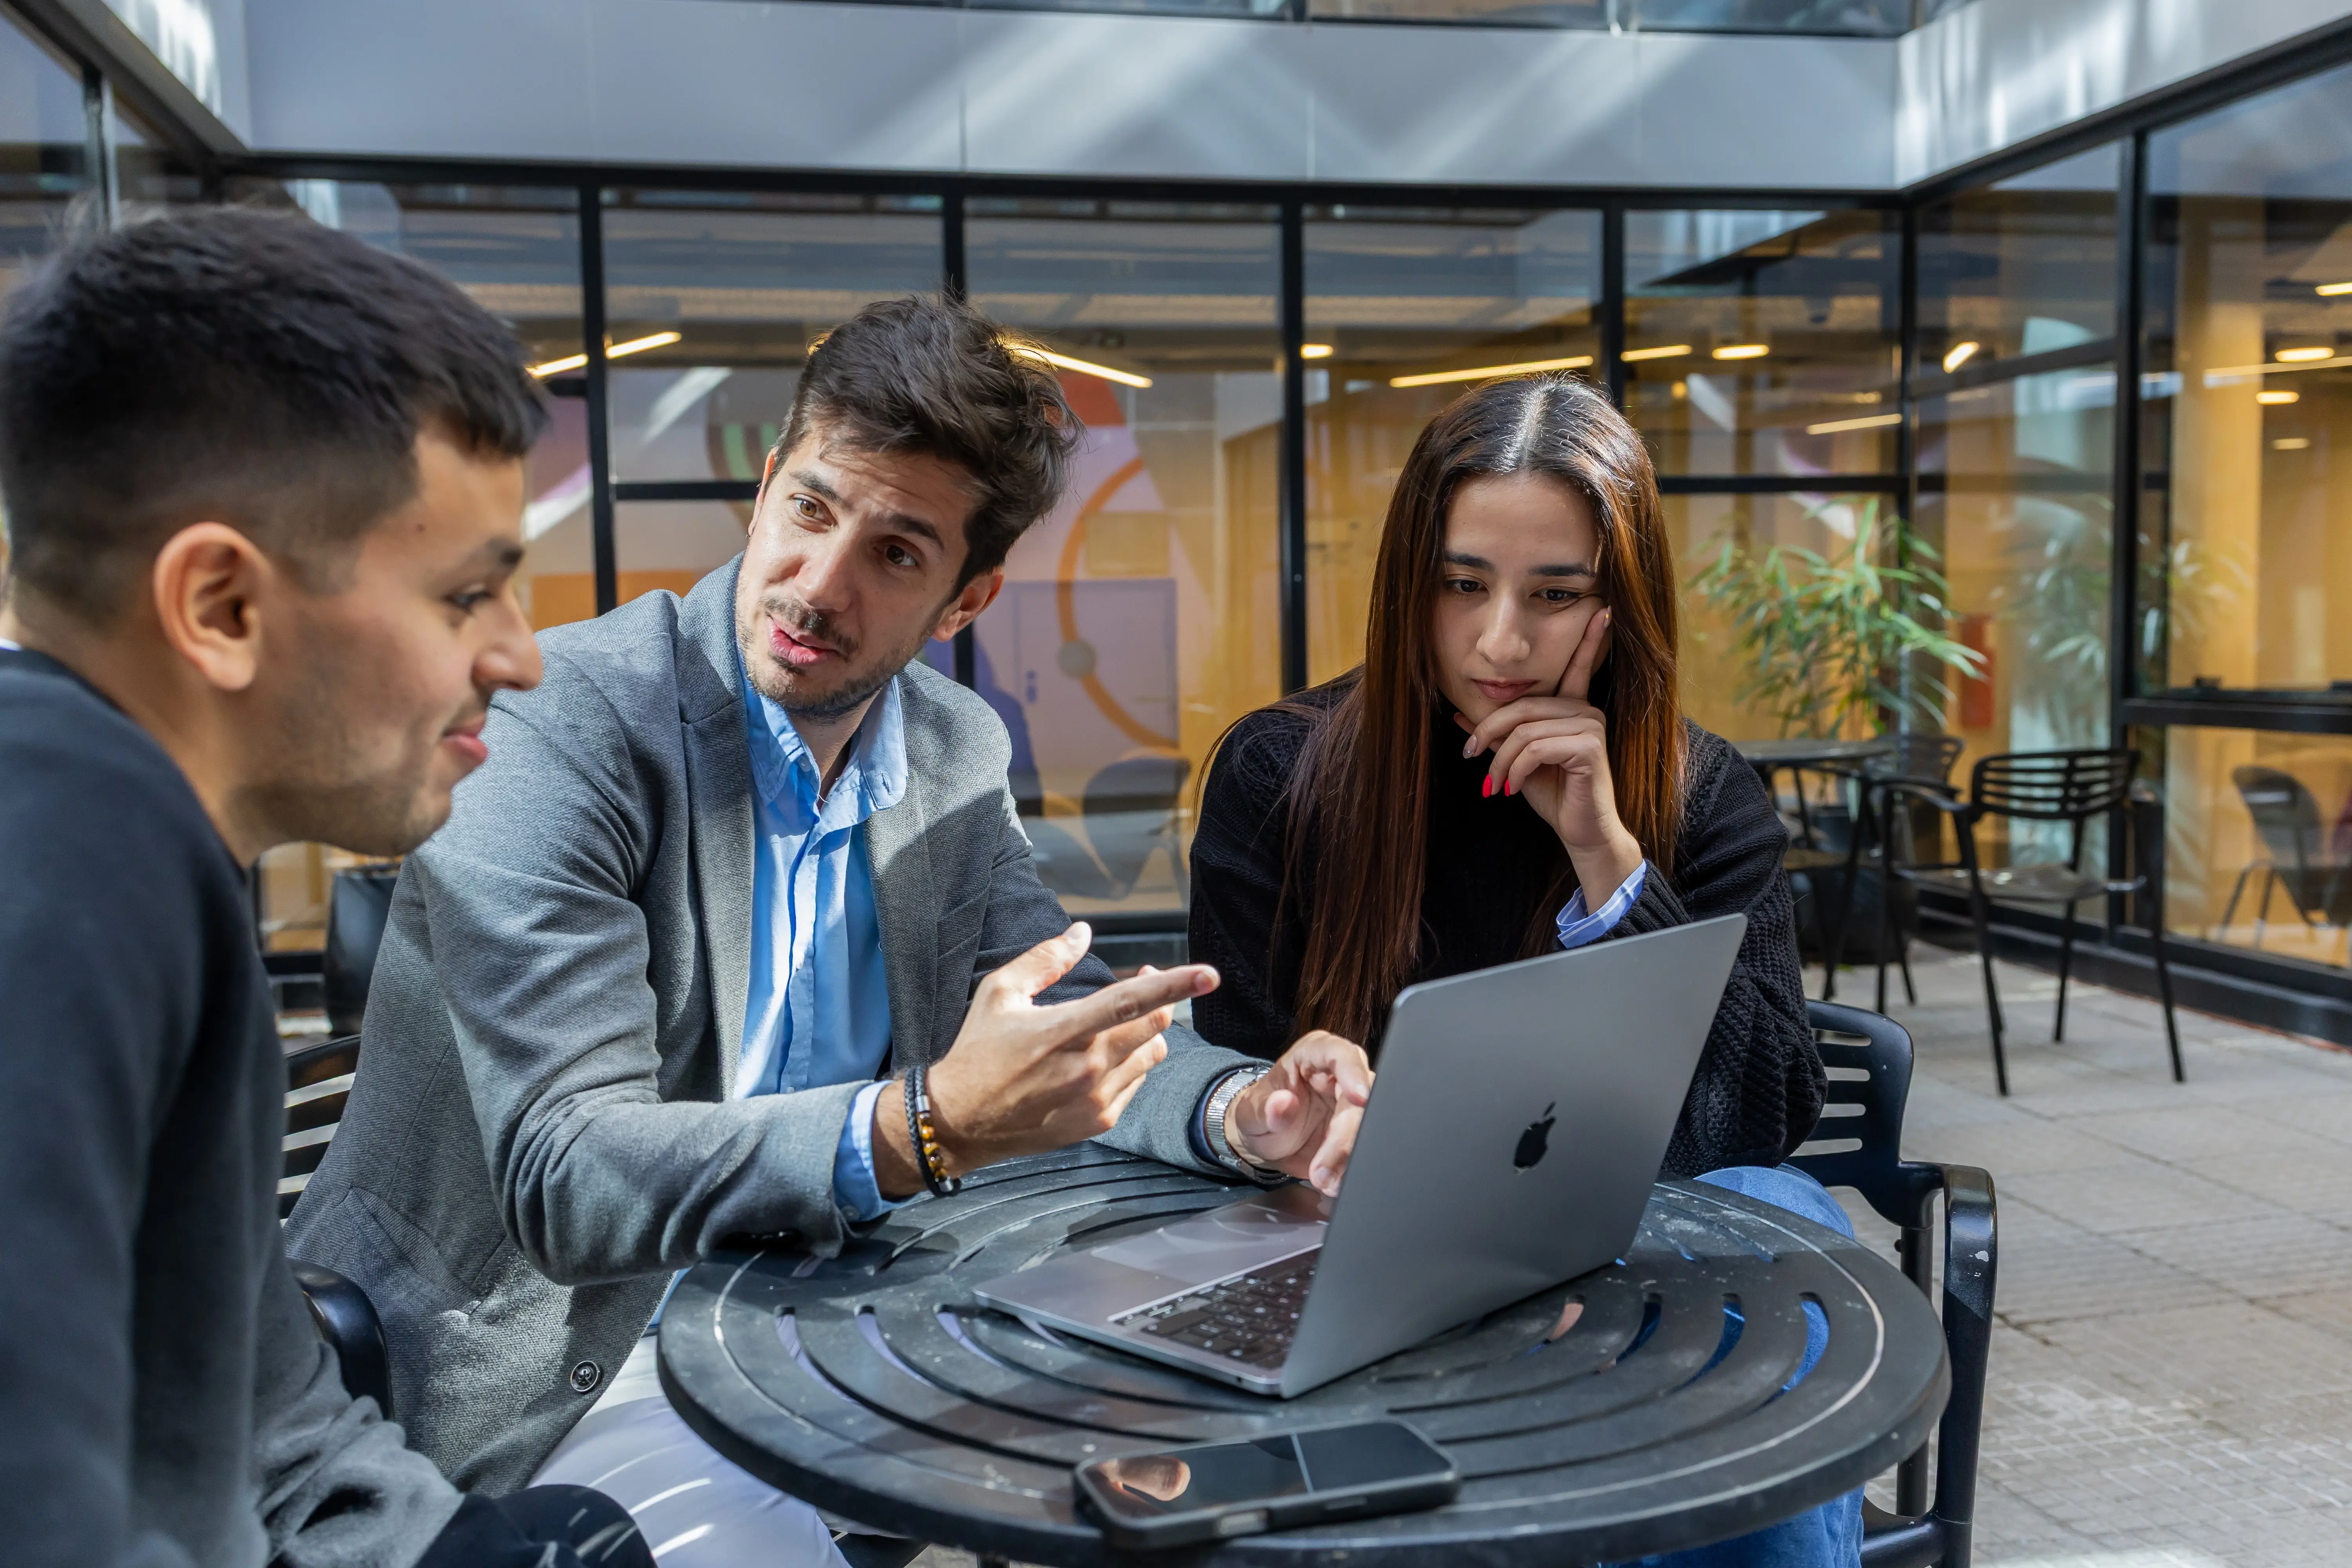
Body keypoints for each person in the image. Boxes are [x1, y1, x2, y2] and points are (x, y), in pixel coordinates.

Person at [285, 293, 1372, 1561]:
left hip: (829, 1325)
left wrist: (1243, 1115)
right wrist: (927, 1127)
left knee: (1195, 1472)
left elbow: (1059, 1028)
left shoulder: (953, 749)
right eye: (811, 510)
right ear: (764, 491)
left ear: (966, 603)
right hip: (561, 1364)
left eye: (899, 554)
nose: (819, 583)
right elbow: (569, 1177)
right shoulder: (564, 723)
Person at [0, 207, 654, 1566]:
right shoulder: (72, 847)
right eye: (469, 595)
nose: (523, 659)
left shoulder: (145, 849)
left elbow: (271, 1430)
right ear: (222, 609)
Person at [1187, 373, 1857, 1567]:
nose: (1501, 642)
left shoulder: (1699, 797)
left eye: (1556, 595)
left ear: (1621, 607)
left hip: (1635, 1251)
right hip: (1364, 1265)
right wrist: (1286, 1101)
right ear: (1410, 586)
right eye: (1462, 587)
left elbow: (1760, 1120)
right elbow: (1220, 1098)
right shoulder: (1283, 776)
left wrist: (1609, 863)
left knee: (1786, 1220)